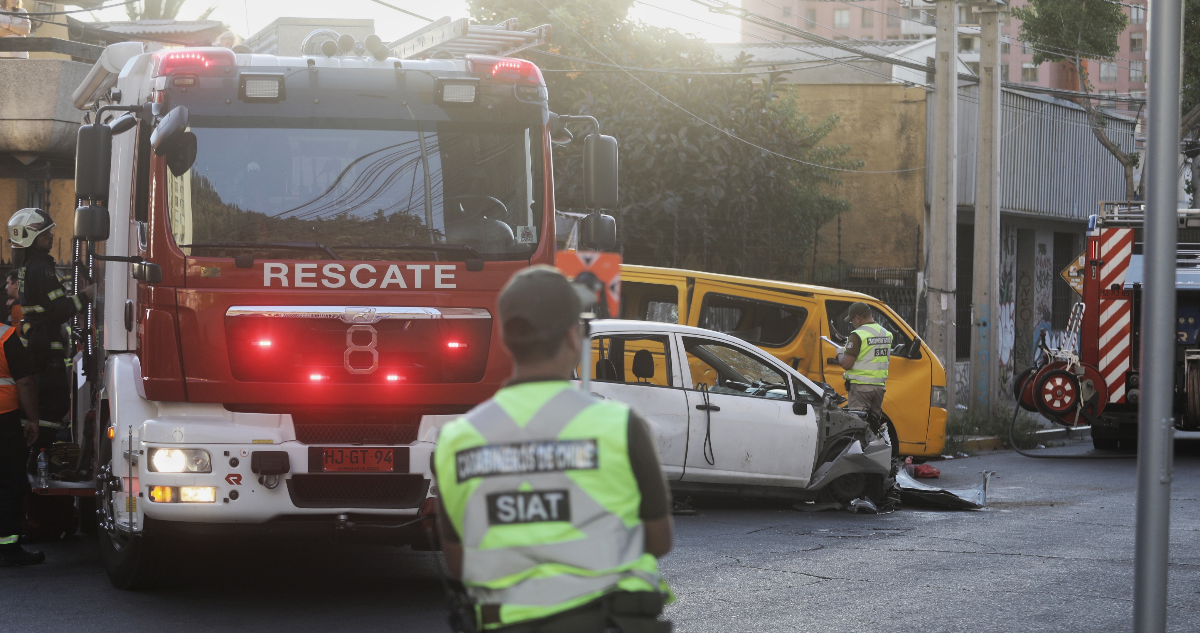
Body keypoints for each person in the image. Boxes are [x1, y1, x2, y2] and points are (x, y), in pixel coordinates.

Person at [433, 266, 674, 633]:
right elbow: (658, 540)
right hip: (607, 621)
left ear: (507, 339)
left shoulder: (457, 439)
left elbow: (457, 561)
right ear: (573, 337)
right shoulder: (620, 427)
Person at [7, 209, 93, 456]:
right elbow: (58, 309)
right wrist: (86, 296)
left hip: (37, 340)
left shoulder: (26, 266)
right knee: (53, 402)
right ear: (31, 238)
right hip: (45, 344)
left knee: (41, 400)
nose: (52, 236)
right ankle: (39, 451)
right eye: (46, 233)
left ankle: (31, 453)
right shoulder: (41, 268)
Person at [0, 307, 45, 566]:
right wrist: (33, 420)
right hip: (4, 421)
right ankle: (8, 548)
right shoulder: (6, 336)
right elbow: (25, 383)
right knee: (9, 483)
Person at [836, 301, 893, 424]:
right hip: (879, 389)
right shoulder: (886, 334)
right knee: (873, 425)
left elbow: (847, 364)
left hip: (861, 388)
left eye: (852, 320)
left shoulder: (858, 335)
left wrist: (839, 353)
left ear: (858, 318)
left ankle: (860, 444)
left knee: (858, 425)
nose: (852, 324)